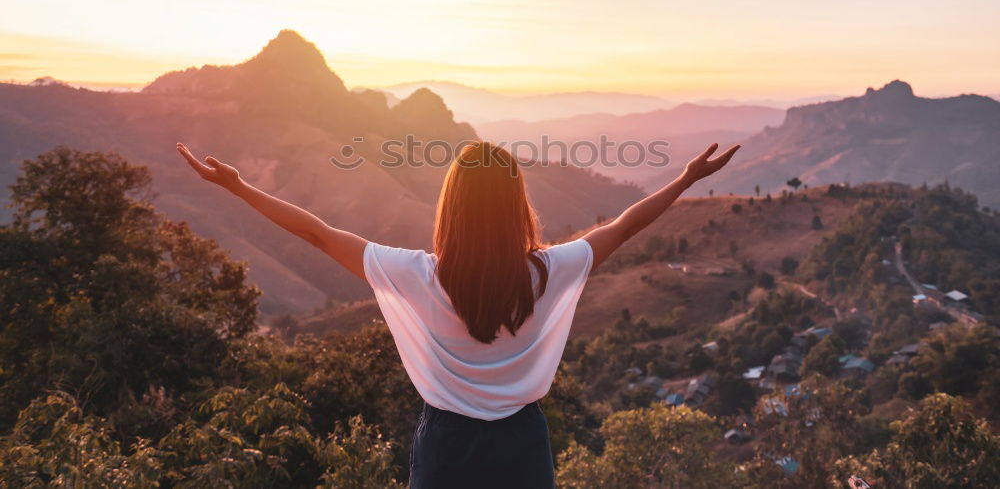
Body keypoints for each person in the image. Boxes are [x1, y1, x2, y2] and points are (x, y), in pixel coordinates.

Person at [176, 139, 739, 487]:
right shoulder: (548, 272)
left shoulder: (418, 275)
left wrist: (240, 187)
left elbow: (318, 235)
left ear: (451, 207)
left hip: (447, 443)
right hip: (522, 442)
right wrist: (686, 179)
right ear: (517, 206)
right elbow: (623, 226)